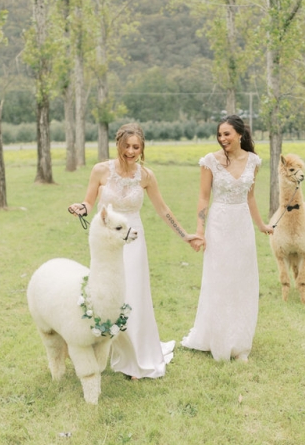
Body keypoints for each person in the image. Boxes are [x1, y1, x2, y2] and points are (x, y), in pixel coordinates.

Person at [68, 123, 195, 379]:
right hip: (107, 242)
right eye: (126, 146)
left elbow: (163, 209)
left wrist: (184, 235)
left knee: (134, 293)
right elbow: (89, 202)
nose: (131, 151)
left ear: (142, 148)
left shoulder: (146, 176)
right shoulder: (101, 170)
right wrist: (81, 208)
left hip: (134, 238)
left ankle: (136, 357)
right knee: (106, 292)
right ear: (118, 144)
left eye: (136, 147)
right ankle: (102, 347)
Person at [181, 115, 273, 362]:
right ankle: (219, 341)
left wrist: (261, 224)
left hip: (242, 225)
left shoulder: (254, 161)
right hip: (219, 225)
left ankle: (240, 342)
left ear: (240, 134)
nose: (222, 139)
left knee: (242, 282)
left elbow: (250, 197)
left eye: (227, 134)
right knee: (220, 281)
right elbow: (203, 197)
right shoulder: (210, 161)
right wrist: (199, 232)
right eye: (219, 135)